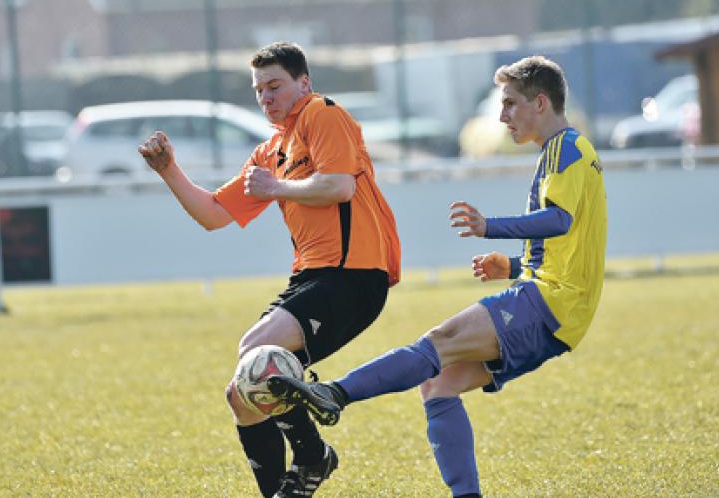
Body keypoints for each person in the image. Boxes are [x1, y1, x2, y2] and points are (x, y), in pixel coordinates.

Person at [268, 55, 607, 497]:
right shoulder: (569, 151)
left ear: (540, 103)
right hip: (558, 305)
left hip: (550, 302)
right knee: (439, 384)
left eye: (509, 104)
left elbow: (559, 220)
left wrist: (492, 227)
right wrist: (514, 266)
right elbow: (575, 242)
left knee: (438, 341)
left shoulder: (566, 148)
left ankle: (336, 393)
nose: (502, 116)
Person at [138, 41, 401, 498]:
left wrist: (278, 188)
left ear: (305, 82)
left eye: (275, 85)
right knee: (242, 394)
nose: (267, 97)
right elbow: (214, 215)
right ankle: (282, 489)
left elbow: (339, 186)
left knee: (254, 350)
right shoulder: (270, 151)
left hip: (353, 274)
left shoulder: (323, 113)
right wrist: (169, 171)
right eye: (259, 90)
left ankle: (314, 454)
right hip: (312, 278)